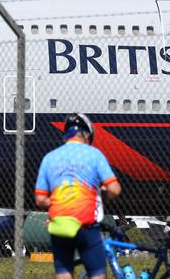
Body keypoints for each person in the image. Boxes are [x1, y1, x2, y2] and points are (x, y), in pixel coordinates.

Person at [35, 113, 122, 279]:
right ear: (87, 134)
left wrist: (59, 204)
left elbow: (40, 199)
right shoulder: (94, 155)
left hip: (60, 225)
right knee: (96, 274)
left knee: (64, 273)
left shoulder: (49, 158)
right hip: (86, 225)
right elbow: (115, 189)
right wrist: (101, 198)